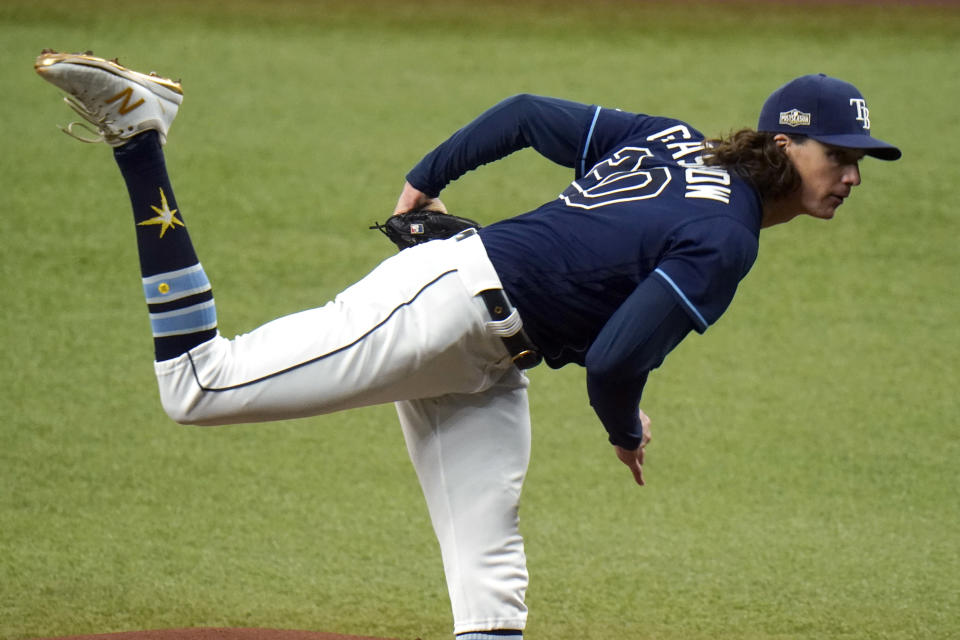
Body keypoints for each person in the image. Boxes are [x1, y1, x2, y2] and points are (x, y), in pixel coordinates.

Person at [35, 50, 901, 640]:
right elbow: (611, 364)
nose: (853, 174)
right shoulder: (730, 241)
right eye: (841, 154)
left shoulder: (674, 141)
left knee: (488, 574)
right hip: (442, 308)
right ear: (785, 144)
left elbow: (525, 115)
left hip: (484, 359)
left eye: (863, 158)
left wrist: (425, 178)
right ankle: (140, 136)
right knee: (198, 386)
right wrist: (624, 427)